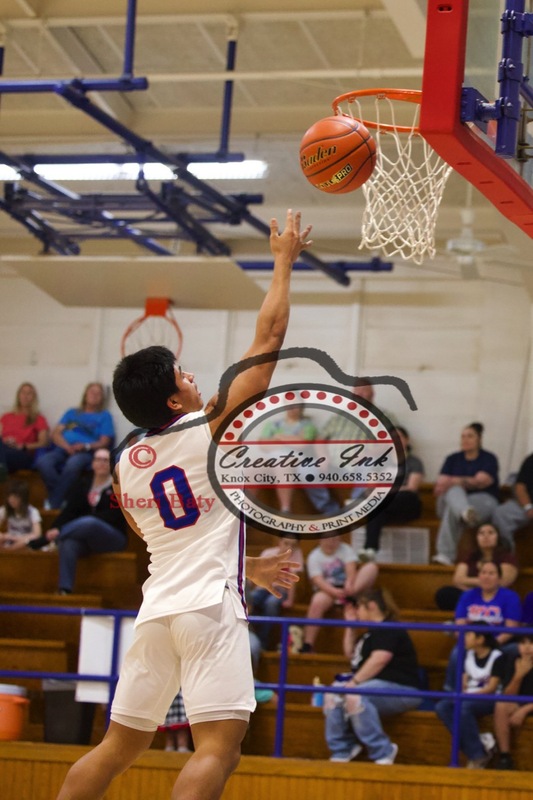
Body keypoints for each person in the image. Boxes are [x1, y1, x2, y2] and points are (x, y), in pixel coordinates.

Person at [54, 208, 312, 800]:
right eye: (183, 373)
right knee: (218, 746)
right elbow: (269, 338)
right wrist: (283, 260)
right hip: (207, 610)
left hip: (157, 613)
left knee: (117, 747)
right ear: (175, 398)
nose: (192, 375)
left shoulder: (124, 463)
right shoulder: (212, 426)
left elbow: (163, 540)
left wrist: (243, 565)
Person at [324, 589, 421, 765]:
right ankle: (342, 748)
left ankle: (382, 750)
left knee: (355, 695)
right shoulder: (369, 634)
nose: (356, 611)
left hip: (401, 688)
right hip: (373, 685)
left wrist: (354, 682)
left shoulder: (389, 628)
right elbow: (350, 654)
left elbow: (380, 659)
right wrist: (350, 627)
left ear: (372, 606)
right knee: (332, 696)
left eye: (359, 607)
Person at [31, 448, 127, 594]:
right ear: (92, 463)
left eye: (105, 460)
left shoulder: (118, 487)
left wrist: (85, 521)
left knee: (89, 522)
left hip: (112, 537)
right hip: (85, 537)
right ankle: (65, 589)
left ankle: (50, 539)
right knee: (69, 544)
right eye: (98, 459)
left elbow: (116, 516)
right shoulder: (83, 484)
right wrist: (56, 526)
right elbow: (69, 511)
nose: (101, 463)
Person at [443, 560, 521, 692]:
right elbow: (459, 626)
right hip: (472, 642)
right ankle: (450, 691)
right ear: (478, 576)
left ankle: (501, 692)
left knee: (513, 650)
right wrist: (471, 642)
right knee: (457, 652)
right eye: (483, 572)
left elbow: (510, 629)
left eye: (491, 573)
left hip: (498, 643)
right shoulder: (467, 596)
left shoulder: (510, 597)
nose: (486, 576)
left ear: (499, 578)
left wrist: (491, 644)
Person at [36, 381, 115, 509]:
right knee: (43, 462)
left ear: (102, 399)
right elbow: (55, 434)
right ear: (85, 394)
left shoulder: (104, 416)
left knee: (73, 464)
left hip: (86, 452)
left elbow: (104, 442)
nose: (94, 395)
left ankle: (53, 503)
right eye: (92, 392)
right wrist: (67, 446)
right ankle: (62, 498)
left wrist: (86, 446)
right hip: (63, 448)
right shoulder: (72, 413)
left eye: (98, 393)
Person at [435, 622, 503, 769]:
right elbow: (463, 681)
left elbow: (491, 688)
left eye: (468, 634)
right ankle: (478, 747)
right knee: (442, 706)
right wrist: (463, 692)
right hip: (469, 696)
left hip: (489, 698)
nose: (463, 638)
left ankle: (477, 756)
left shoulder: (497, 657)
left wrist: (468, 695)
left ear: (480, 639)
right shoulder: (467, 655)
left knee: (463, 706)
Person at [432, 422, 500, 566]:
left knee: (453, 505)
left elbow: (483, 481)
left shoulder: (488, 458)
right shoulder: (452, 458)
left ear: (479, 439)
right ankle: (464, 512)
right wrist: (467, 481)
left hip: (482, 501)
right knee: (454, 493)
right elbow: (441, 483)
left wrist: (453, 480)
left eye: (470, 436)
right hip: (453, 502)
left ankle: (445, 555)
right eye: (463, 436)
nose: (465, 440)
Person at [300, 535, 378, 653]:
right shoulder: (314, 556)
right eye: (327, 539)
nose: (331, 543)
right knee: (317, 600)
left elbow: (350, 569)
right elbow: (318, 580)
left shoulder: (346, 549)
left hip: (350, 588)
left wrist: (349, 584)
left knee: (371, 567)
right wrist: (334, 592)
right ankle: (308, 645)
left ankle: (351, 596)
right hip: (328, 591)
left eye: (334, 539)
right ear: (320, 539)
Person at [357, 426, 424, 562]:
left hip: (406, 504)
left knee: (383, 501)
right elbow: (371, 486)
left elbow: (411, 487)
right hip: (385, 504)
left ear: (407, 440)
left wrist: (385, 491)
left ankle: (370, 548)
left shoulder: (414, 462)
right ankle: (370, 550)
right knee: (376, 507)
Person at [435, 523, 518, 612]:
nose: (486, 536)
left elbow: (504, 582)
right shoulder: (470, 556)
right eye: (481, 533)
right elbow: (458, 580)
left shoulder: (506, 557)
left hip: (496, 596)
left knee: (507, 598)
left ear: (498, 537)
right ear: (476, 538)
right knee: (445, 594)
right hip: (471, 594)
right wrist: (482, 585)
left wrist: (472, 582)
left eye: (490, 533)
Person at [259, 405, 318, 514]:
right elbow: (263, 446)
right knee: (250, 471)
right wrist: (291, 439)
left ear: (301, 407)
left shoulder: (308, 425)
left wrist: (278, 437)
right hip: (272, 458)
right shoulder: (272, 424)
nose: (291, 408)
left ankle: (285, 510)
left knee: (282, 465)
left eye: (295, 405)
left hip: (295, 458)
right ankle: (245, 513)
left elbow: (301, 445)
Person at [249, 535, 304, 650]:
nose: (289, 547)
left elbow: (294, 580)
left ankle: (263, 642)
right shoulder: (268, 553)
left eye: (293, 545)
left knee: (271, 603)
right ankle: (249, 633)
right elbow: (255, 573)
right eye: (286, 543)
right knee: (252, 598)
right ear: (279, 542)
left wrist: (290, 600)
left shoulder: (296, 556)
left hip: (280, 590)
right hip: (262, 588)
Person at [493, 633, 533, 770]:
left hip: (528, 705)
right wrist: (518, 675)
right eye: (522, 643)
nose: (527, 647)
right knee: (501, 704)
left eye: (531, 643)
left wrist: (524, 710)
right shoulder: (513, 659)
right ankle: (505, 757)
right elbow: (508, 695)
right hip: (521, 701)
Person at [0, 382, 49, 475]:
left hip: (22, 453)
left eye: (29, 393)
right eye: (23, 392)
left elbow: (44, 442)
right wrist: (6, 441)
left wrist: (23, 446)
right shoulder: (6, 417)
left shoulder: (38, 418)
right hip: (4, 449)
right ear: (18, 395)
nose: (25, 396)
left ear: (34, 398)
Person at [492, 453, 533, 549]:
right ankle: (508, 557)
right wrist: (528, 507)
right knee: (501, 513)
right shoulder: (530, 460)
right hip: (527, 504)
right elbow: (520, 487)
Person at [0, 478, 42, 550]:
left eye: (15, 497)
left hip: (24, 540)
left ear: (23, 498)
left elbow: (37, 534)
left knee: (27, 542)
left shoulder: (32, 511)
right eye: (10, 497)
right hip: (9, 540)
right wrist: (3, 536)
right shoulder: (5, 510)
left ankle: (8, 551)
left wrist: (17, 538)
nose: (11, 500)